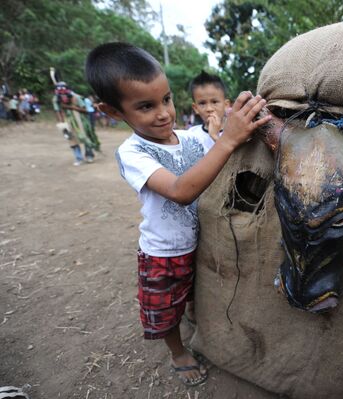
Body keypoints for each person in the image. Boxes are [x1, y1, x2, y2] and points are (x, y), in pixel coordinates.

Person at [85, 42, 271, 387]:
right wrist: (227, 141)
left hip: (200, 242)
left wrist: (242, 130)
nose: (163, 113)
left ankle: (190, 314)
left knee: (195, 294)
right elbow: (182, 190)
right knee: (165, 309)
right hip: (164, 253)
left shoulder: (189, 139)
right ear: (112, 112)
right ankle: (178, 352)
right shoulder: (133, 152)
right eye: (145, 106)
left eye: (166, 99)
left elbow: (222, 159)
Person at [55, 82, 101, 163]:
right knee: (71, 139)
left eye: (65, 96)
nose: (64, 98)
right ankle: (78, 158)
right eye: (61, 96)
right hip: (68, 122)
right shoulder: (57, 100)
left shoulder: (76, 98)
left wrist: (71, 107)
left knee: (85, 137)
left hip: (81, 121)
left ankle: (89, 155)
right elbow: (58, 111)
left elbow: (86, 110)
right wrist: (62, 124)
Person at [187, 71, 231, 146]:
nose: (209, 109)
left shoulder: (235, 132)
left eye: (214, 102)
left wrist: (215, 136)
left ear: (226, 105)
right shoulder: (191, 136)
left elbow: (237, 157)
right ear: (195, 108)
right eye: (202, 103)